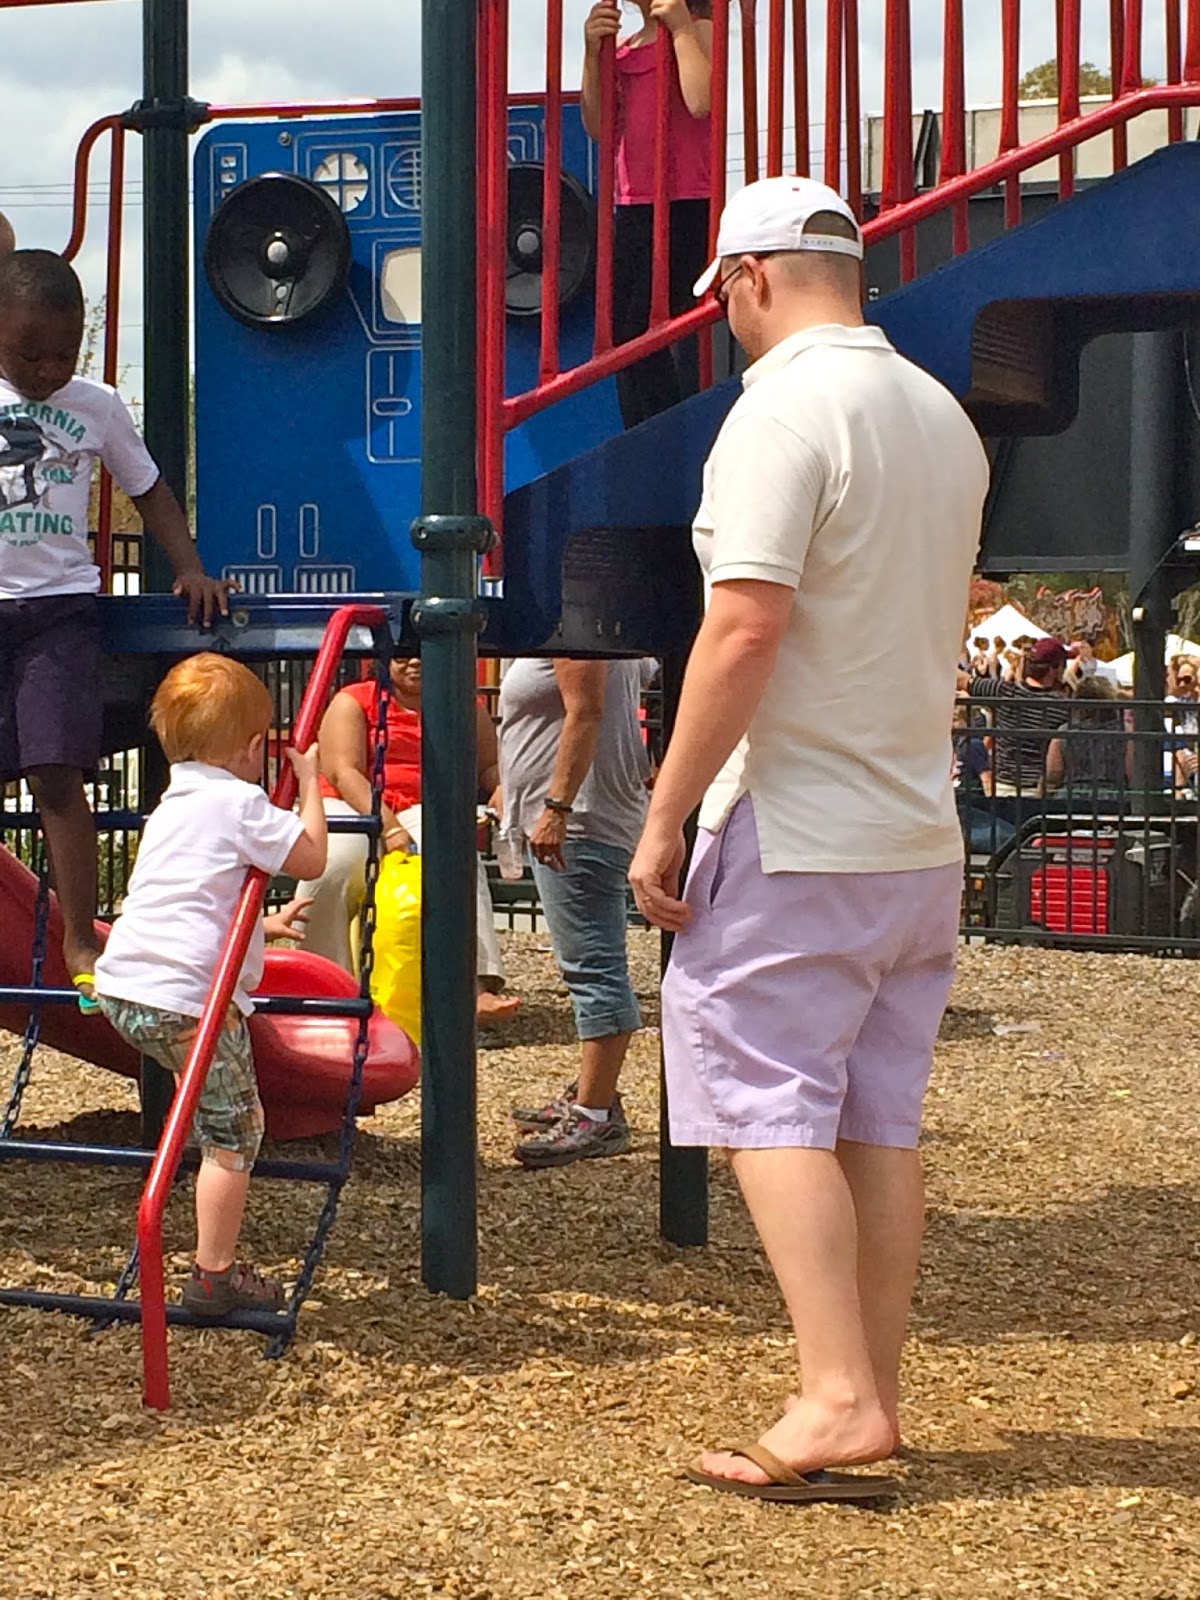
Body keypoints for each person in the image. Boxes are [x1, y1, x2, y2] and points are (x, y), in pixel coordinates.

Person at [628, 176, 989, 1499]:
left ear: (753, 278)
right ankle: (867, 1390)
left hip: (798, 819)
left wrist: (665, 812)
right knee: (875, 1121)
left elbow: (744, 627)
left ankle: (836, 1394)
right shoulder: (942, 416)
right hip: (916, 827)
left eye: (723, 294)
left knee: (762, 1094)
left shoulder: (779, 412)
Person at [0, 249, 232, 1008]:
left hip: (60, 610)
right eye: (27, 354)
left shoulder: (95, 405)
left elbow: (151, 488)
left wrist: (190, 567)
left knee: (56, 771)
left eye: (63, 354)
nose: (46, 369)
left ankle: (79, 934)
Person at [93, 654, 327, 1316]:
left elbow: (193, 896)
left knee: (200, 1101)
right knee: (236, 1133)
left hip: (126, 986)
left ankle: (208, 1246)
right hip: (189, 999)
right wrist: (311, 782)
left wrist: (262, 924)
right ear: (254, 748)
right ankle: (213, 1276)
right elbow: (311, 856)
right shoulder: (239, 802)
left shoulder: (174, 803)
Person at [296, 651, 518, 1027]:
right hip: (354, 801)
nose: (415, 661)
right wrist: (389, 827)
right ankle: (325, 982)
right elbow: (343, 772)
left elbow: (488, 764)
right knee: (332, 864)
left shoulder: (464, 706)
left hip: (422, 804)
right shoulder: (354, 700)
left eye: (423, 652)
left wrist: (499, 787)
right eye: (402, 655)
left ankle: (473, 985)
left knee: (452, 850)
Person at [498, 657, 652, 1167]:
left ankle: (596, 1114)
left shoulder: (577, 630)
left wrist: (557, 808)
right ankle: (593, 1093)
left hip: (580, 819)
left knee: (593, 966)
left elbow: (586, 711)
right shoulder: (607, 631)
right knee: (588, 962)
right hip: (586, 813)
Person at [581, 0, 713, 429]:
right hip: (633, 204)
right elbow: (599, 126)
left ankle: (665, 430)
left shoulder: (699, 28)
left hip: (687, 201)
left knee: (656, 327)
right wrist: (592, 52)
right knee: (624, 333)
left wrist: (681, 29)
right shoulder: (622, 47)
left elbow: (701, 101)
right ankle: (644, 431)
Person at [962, 637, 1075, 798]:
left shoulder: (1003, 691)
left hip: (1000, 789)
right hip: (1038, 793)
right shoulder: (1062, 707)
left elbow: (963, 681)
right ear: (1053, 669)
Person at [1045, 676, 1134, 796]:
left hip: (1071, 796)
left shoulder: (1064, 732)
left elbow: (1054, 772)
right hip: (1114, 795)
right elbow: (1131, 771)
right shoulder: (1125, 731)